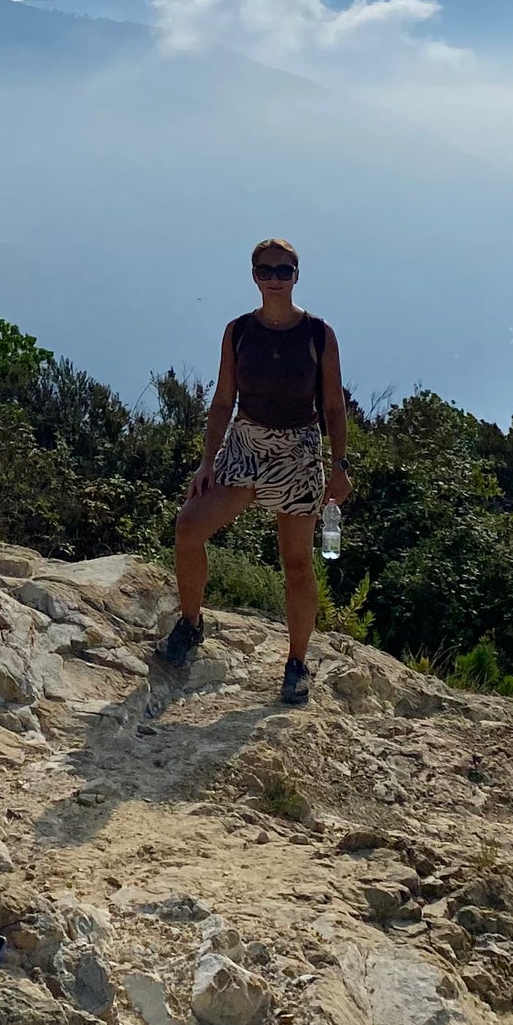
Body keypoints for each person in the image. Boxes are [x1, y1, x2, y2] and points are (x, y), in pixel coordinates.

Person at [156, 239, 349, 705]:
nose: (275, 279)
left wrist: (339, 466)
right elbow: (223, 400)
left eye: (284, 270)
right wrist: (207, 461)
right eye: (266, 270)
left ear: (297, 275)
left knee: (297, 561)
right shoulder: (239, 331)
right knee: (189, 527)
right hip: (244, 443)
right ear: (254, 275)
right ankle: (190, 624)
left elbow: (333, 406)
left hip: (298, 450)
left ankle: (297, 663)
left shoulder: (319, 334)